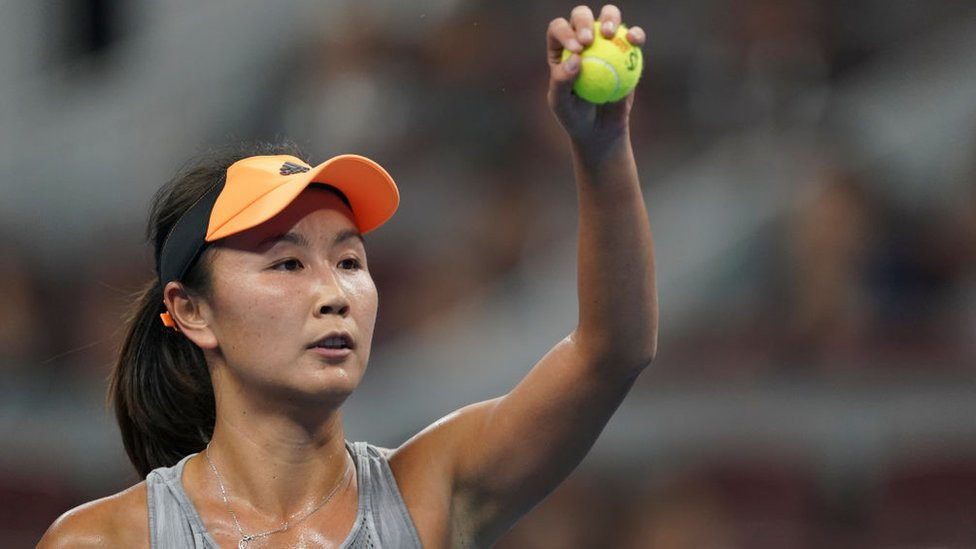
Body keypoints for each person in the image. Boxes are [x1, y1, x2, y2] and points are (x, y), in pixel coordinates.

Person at [38, 5, 656, 548]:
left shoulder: (433, 492)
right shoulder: (102, 540)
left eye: (349, 262)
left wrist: (601, 150)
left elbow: (613, 350)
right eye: (286, 263)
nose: (333, 294)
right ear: (193, 311)